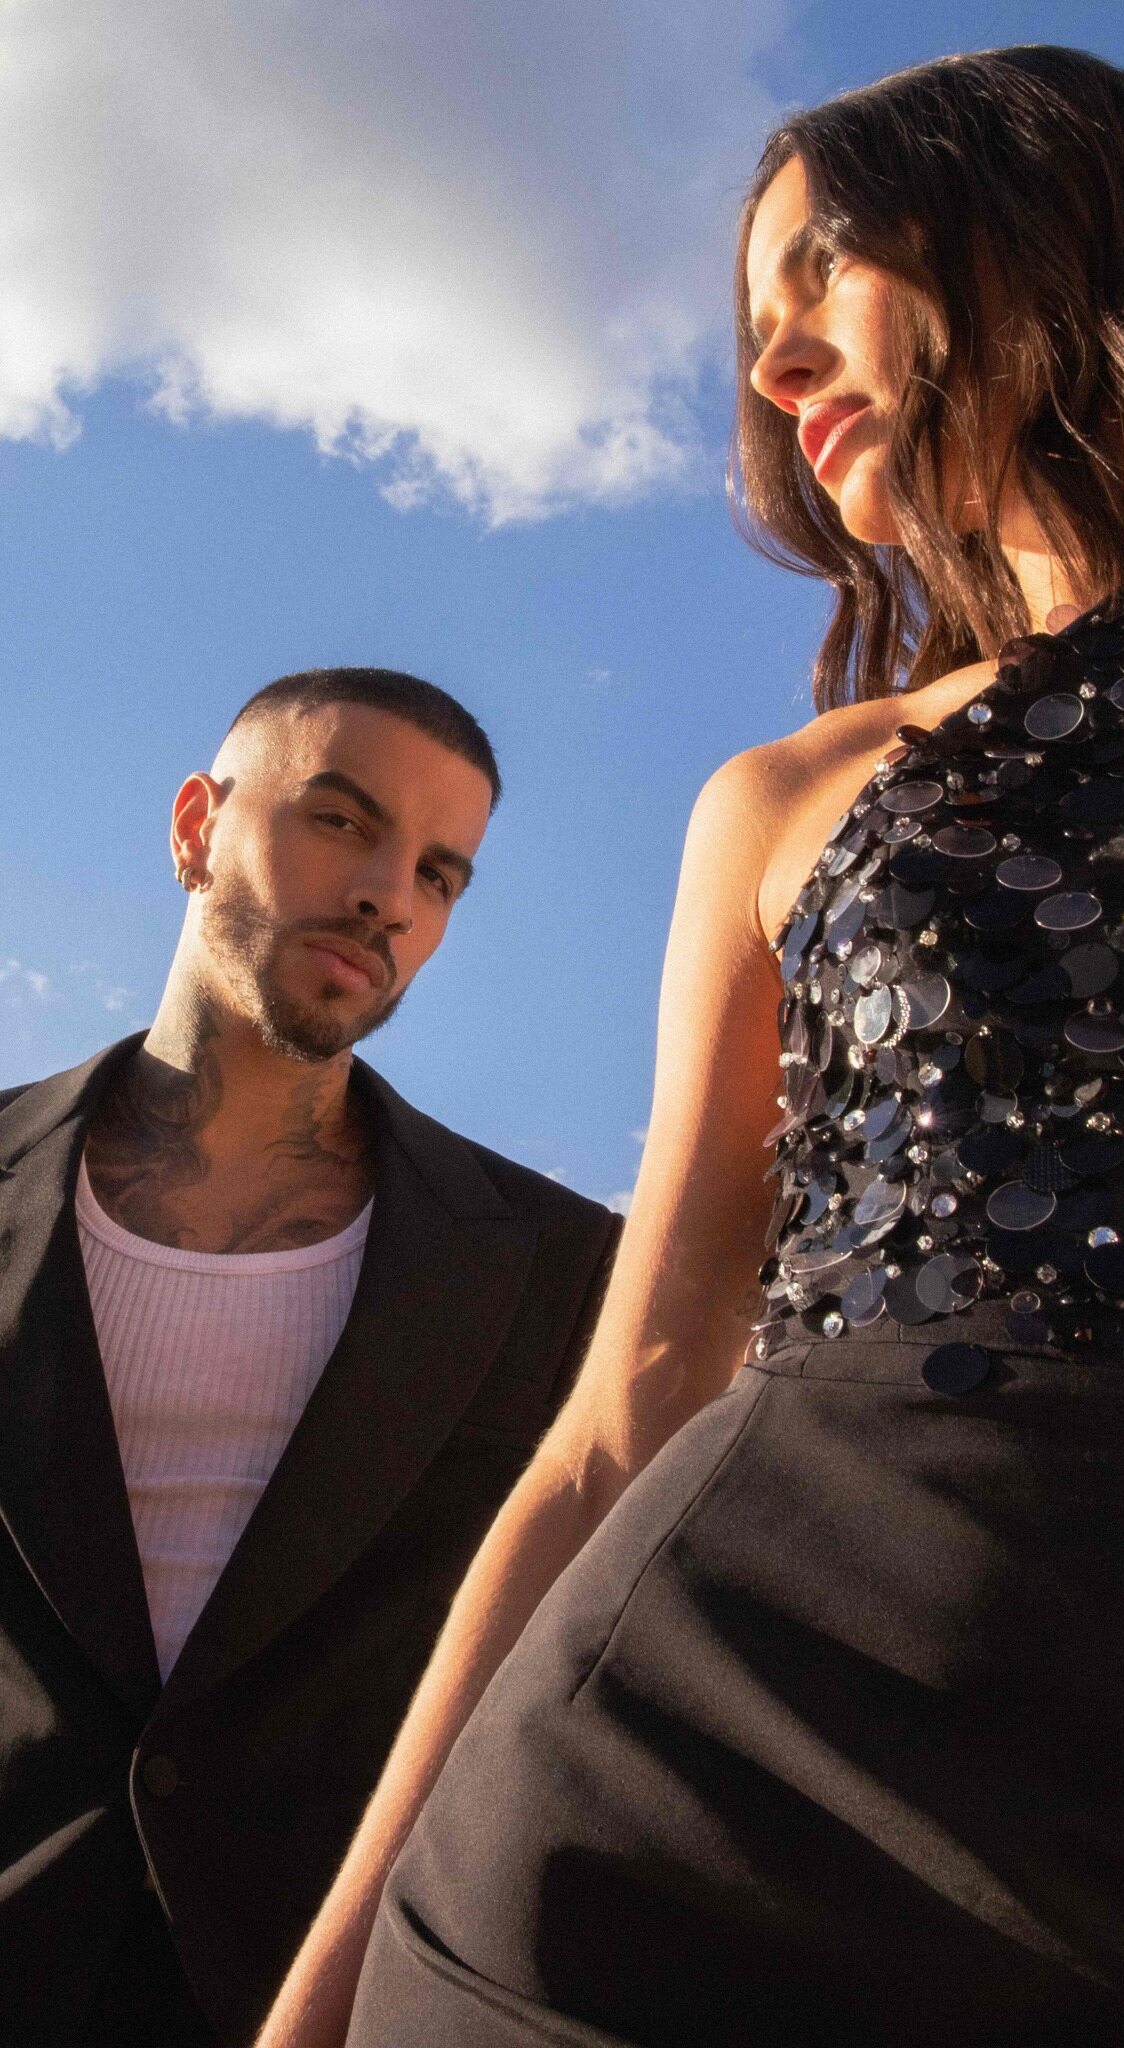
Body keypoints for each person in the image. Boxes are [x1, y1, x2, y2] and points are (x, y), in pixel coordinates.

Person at [265, 51, 1124, 2048]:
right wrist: (320, 1987)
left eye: (821, 268)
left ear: (1052, 223)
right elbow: (621, 1417)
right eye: (750, 327)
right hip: (688, 1803)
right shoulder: (787, 799)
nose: (770, 368)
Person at [0, 668, 619, 2047]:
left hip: (348, 1993)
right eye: (341, 822)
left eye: (439, 875)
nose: (390, 896)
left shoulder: (565, 1272)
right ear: (195, 827)